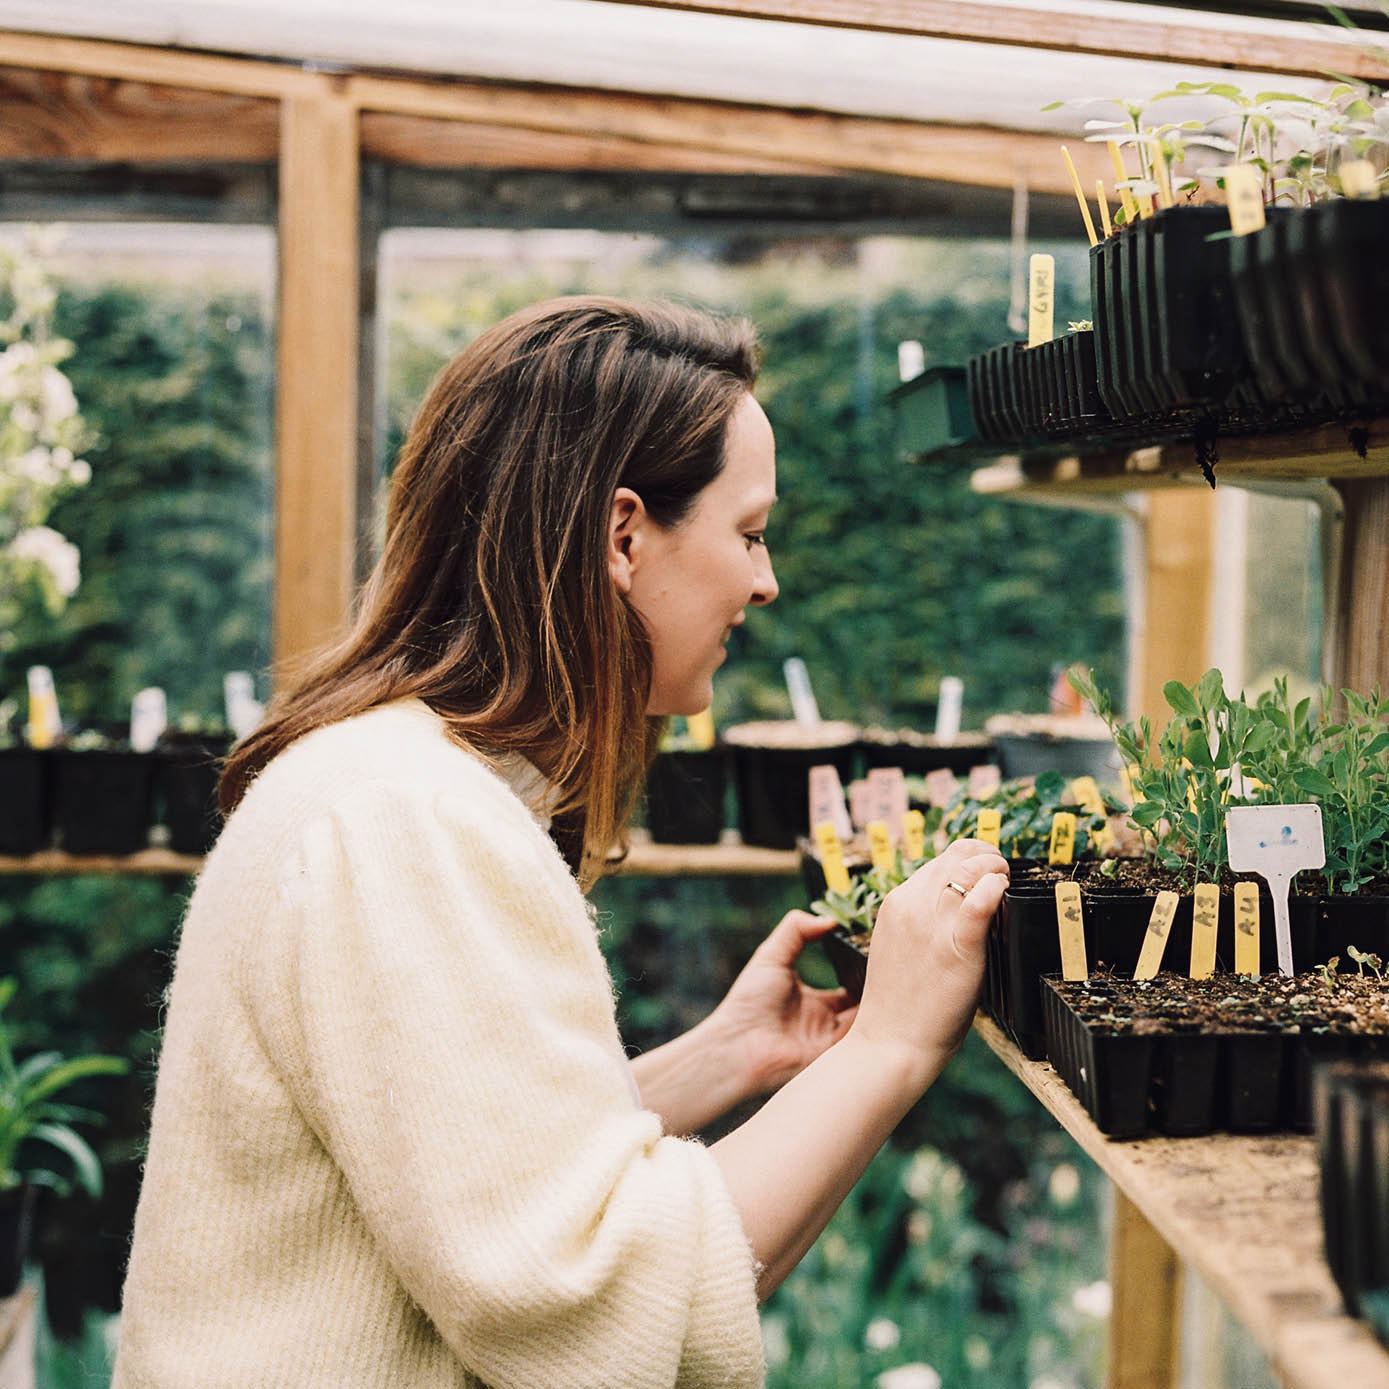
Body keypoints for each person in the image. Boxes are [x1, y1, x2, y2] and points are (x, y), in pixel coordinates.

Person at [114, 296, 1008, 1387]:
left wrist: (718, 1061)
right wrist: (893, 1047)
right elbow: (589, 1301)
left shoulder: (388, 785)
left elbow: (453, 1162)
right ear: (623, 537)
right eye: (750, 532)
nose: (765, 582)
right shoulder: (410, 820)